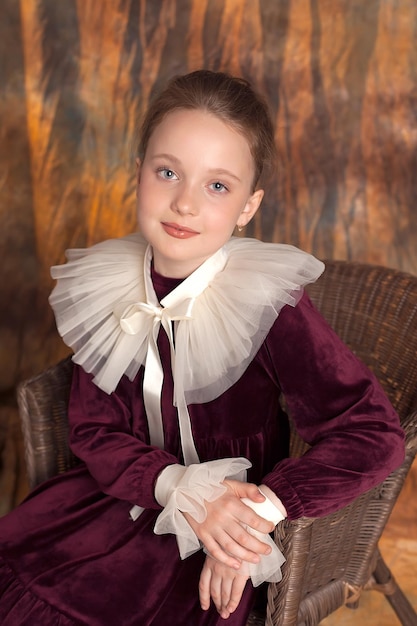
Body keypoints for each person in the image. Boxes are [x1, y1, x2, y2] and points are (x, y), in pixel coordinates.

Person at [0, 70, 404, 626]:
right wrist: (176, 486)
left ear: (247, 205)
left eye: (217, 185)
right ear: (137, 172)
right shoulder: (109, 286)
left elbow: (372, 434)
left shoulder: (269, 305)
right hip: (124, 499)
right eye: (168, 172)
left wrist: (256, 515)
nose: (185, 204)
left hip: (223, 533)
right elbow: (96, 431)